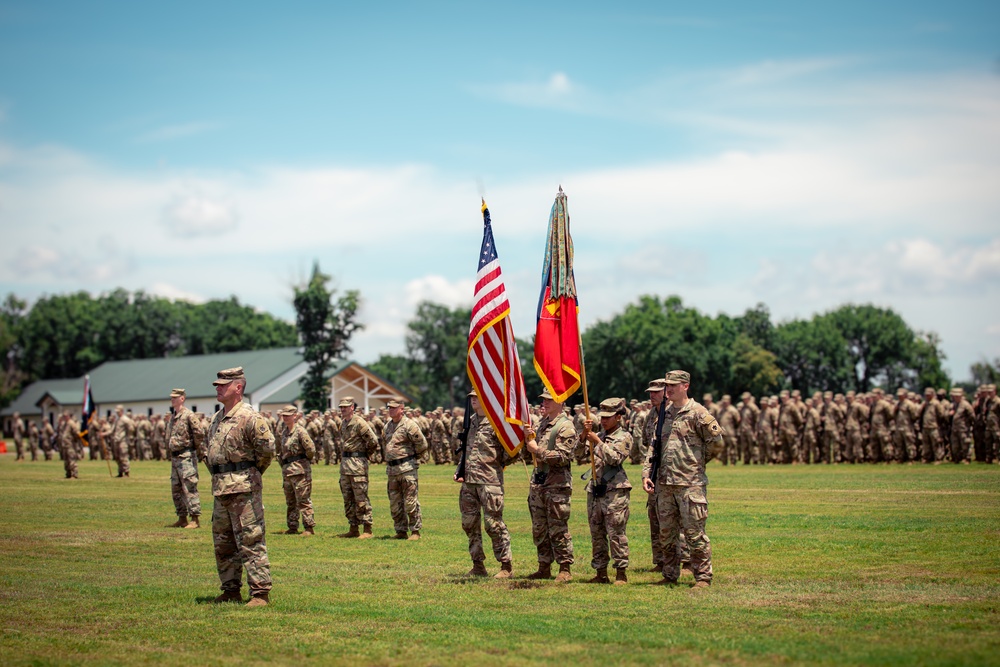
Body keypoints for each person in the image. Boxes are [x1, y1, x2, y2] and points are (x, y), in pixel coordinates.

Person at [642, 370, 724, 588]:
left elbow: (717, 443)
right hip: (665, 483)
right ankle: (669, 574)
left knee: (694, 534)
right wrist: (646, 474)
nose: (668, 389)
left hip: (690, 484)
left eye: (673, 385)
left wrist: (697, 461)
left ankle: (703, 577)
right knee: (666, 534)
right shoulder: (664, 413)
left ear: (685, 386)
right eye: (667, 385)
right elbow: (654, 445)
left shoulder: (698, 412)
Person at [205, 367, 275, 607]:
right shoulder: (216, 418)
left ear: (238, 387)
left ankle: (260, 593)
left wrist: (249, 475)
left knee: (251, 540)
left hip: (243, 489)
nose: (218, 388)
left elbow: (266, 452)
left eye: (223, 384)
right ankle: (230, 589)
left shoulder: (251, 418)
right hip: (220, 488)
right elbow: (209, 453)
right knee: (223, 543)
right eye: (217, 384)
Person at [455, 391, 516, 578]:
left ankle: (506, 566)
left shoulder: (497, 422)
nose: (473, 399)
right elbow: (468, 449)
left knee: (493, 524)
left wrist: (495, 465)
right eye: (472, 397)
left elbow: (511, 451)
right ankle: (478, 565)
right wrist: (460, 470)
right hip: (469, 482)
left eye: (477, 396)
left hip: (489, 481)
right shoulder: (470, 421)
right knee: (469, 524)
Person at [524, 388, 577, 583]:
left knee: (557, 527)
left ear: (560, 402)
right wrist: (529, 440)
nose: (544, 403)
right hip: (539, 483)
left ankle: (565, 568)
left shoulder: (566, 427)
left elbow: (563, 456)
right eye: (543, 400)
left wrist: (537, 450)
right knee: (539, 527)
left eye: (548, 400)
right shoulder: (542, 424)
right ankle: (543, 566)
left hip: (557, 485)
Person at [580, 398, 633, 585]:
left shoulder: (624, 436)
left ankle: (621, 573)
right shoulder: (599, 435)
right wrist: (584, 435)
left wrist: (596, 442)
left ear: (618, 417)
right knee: (597, 532)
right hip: (595, 489)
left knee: (616, 533)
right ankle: (600, 572)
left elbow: (615, 458)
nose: (603, 421)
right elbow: (578, 456)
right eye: (601, 417)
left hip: (614, 491)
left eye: (608, 417)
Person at [381, 396, 428, 540]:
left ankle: (415, 531)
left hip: (407, 468)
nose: (391, 410)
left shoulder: (409, 425)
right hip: (392, 470)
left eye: (394, 407)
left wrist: (412, 458)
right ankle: (400, 531)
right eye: (389, 407)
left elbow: (422, 444)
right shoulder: (387, 426)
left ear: (402, 409)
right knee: (395, 503)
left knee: (410, 501)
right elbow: (384, 443)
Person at [337, 396, 379, 539]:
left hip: (357, 465)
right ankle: (353, 528)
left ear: (352, 407)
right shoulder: (342, 423)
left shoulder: (360, 423)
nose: (342, 409)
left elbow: (373, 441)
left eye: (345, 407)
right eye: (341, 407)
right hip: (345, 465)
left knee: (361, 497)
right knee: (348, 498)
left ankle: (367, 529)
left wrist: (365, 455)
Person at [167, 389, 207, 529]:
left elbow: (199, 433)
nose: (172, 399)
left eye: (175, 397)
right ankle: (182, 518)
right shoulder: (174, 416)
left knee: (189, 487)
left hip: (186, 456)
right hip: (175, 457)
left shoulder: (188, 415)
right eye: (171, 397)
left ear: (182, 398)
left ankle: (195, 519)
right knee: (176, 488)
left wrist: (192, 447)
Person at [275, 405, 317, 536]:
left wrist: (303, 461)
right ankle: (292, 526)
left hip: (300, 471)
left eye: (288, 415)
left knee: (303, 500)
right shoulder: (284, 432)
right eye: (284, 415)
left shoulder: (300, 431)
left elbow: (311, 449)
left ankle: (308, 527)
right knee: (290, 501)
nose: (285, 417)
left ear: (295, 416)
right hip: (287, 471)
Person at [108, 405, 135, 477]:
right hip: (116, 441)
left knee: (123, 456)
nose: (117, 413)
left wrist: (128, 436)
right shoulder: (117, 420)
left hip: (123, 441)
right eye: (116, 412)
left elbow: (131, 428)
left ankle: (126, 472)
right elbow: (112, 430)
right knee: (117, 457)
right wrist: (103, 434)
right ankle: (120, 472)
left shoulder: (125, 419)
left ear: (122, 411)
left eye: (118, 411)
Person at [58, 412, 83, 479]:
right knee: (66, 460)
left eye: (65, 416)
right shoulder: (64, 424)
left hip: (70, 445)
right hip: (65, 445)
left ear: (68, 416)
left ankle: (74, 474)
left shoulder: (71, 423)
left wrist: (75, 440)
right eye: (64, 416)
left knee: (72, 459)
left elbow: (76, 432)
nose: (64, 417)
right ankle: (68, 474)